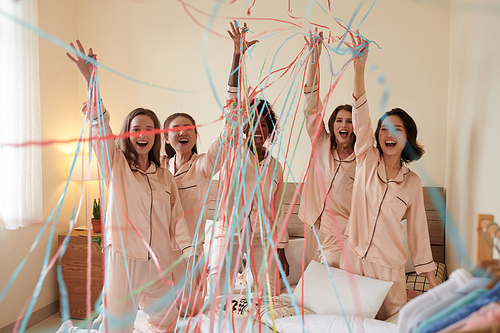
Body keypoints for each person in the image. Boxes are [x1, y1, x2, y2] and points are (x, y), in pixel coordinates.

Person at [66, 40, 198, 333]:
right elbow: (101, 126)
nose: (142, 134)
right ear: (128, 135)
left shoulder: (164, 176)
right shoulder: (116, 166)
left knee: (167, 321)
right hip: (125, 259)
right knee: (117, 327)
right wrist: (91, 80)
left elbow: (176, 220)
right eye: (136, 128)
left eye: (149, 129)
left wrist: (190, 250)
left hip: (158, 261)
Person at [340, 33, 439, 320]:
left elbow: (419, 233)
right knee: (353, 325)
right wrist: (359, 68)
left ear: (407, 138)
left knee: (392, 325)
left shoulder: (413, 183)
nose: (389, 134)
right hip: (354, 262)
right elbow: (360, 115)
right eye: (384, 128)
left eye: (397, 129)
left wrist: (433, 283)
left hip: (390, 271)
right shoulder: (366, 160)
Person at [209, 21, 289, 299]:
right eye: (253, 121)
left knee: (270, 292)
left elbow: (277, 213)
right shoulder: (233, 149)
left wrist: (281, 250)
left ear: (271, 130)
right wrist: (237, 56)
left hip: (262, 235)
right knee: (218, 291)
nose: (258, 128)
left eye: (265, 124)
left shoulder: (276, 167)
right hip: (229, 229)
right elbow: (231, 104)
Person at [161, 112, 228, 315]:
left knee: (189, 312)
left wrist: (232, 110)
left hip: (188, 253)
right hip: (160, 251)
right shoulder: (161, 166)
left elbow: (223, 144)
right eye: (176, 128)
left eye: (188, 128)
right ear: (165, 137)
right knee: (159, 312)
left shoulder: (202, 166)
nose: (183, 132)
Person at [299, 30, 356, 268]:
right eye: (339, 120)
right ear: (332, 125)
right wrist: (314, 58)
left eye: (349, 120)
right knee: (312, 277)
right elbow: (311, 106)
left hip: (343, 232)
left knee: (335, 275)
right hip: (312, 222)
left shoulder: (364, 158)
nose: (343, 125)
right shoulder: (321, 143)